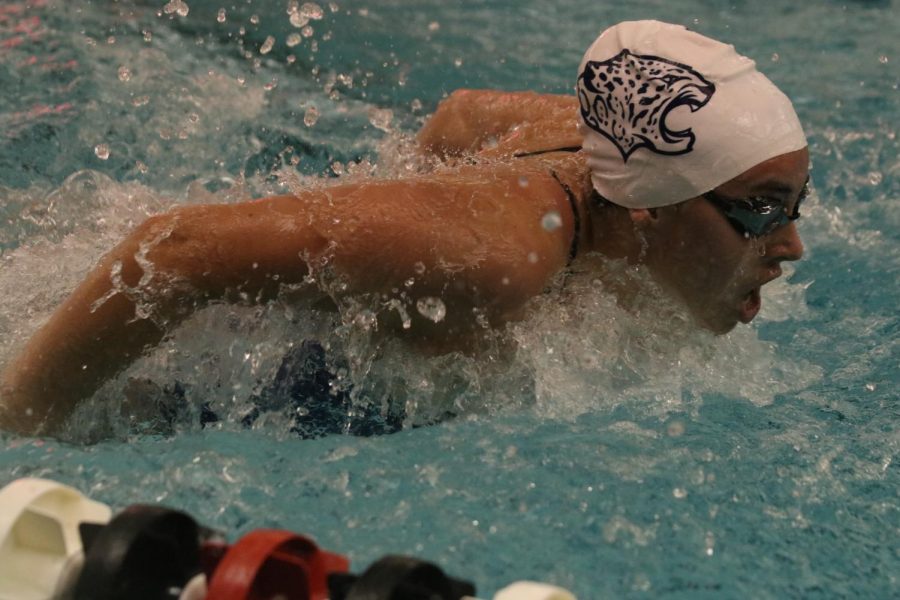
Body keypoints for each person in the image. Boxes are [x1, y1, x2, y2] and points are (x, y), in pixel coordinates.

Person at [0, 20, 809, 435]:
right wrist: (20, 422)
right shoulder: (493, 261)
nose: (791, 244)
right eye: (762, 211)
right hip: (154, 349)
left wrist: (396, 209)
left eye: (795, 204)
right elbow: (172, 250)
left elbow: (460, 115)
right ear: (650, 207)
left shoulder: (609, 152)